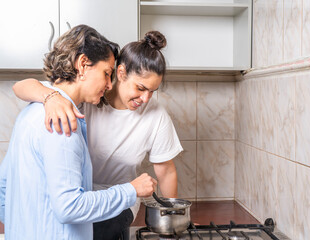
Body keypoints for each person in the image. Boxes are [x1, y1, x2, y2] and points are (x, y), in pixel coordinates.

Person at [12, 31, 183, 239]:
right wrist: (51, 97)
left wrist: (174, 219)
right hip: (81, 198)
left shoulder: (156, 116)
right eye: (140, 88)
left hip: (119, 202)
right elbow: (20, 86)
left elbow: (166, 171)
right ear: (120, 73)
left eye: (152, 91)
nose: (145, 98)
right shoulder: (88, 98)